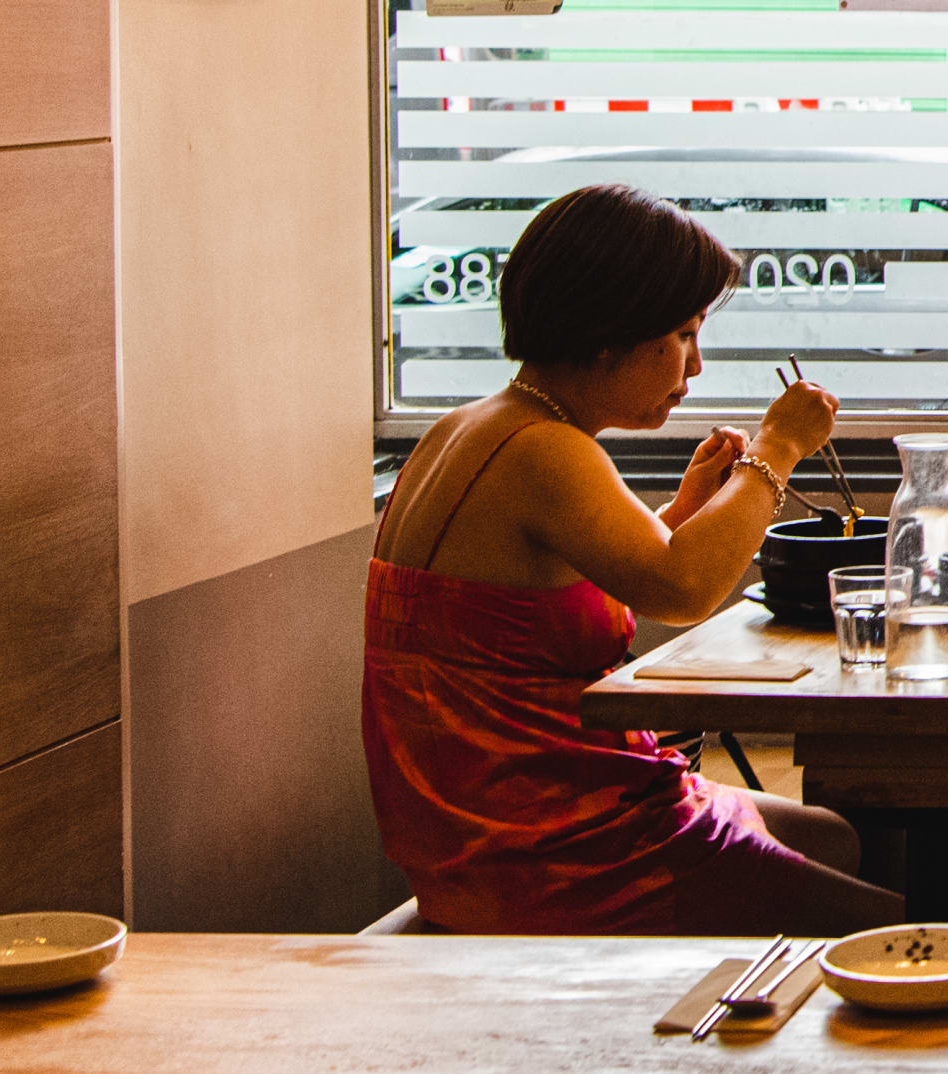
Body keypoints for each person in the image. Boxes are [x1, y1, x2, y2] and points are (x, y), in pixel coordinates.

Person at [365, 182, 901, 935]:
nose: (697, 365)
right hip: (553, 846)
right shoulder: (544, 450)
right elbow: (682, 588)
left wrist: (681, 513)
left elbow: (555, 589)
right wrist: (779, 447)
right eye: (683, 335)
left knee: (832, 836)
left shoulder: (474, 425)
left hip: (486, 823)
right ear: (611, 330)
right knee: (890, 920)